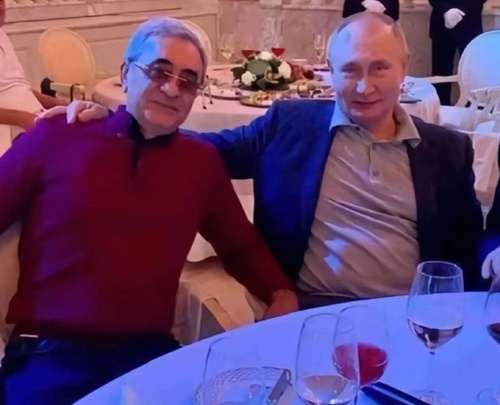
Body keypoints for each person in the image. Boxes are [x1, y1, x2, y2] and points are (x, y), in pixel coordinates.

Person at [0, 17, 297, 405]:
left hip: (147, 359)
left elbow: (240, 245)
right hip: (49, 356)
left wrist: (280, 292)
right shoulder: (56, 136)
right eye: (159, 71)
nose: (172, 88)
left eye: (187, 80)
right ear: (126, 74)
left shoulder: (199, 164)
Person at [45, 12, 484, 308]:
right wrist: (118, 122)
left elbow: (470, 246)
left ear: (404, 68)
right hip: (311, 313)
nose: (364, 86)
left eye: (379, 68)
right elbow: (197, 149)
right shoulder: (291, 125)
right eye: (349, 70)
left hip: (405, 315)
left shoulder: (447, 150)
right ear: (329, 72)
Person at [0, 0, 66, 133]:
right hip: (13, 132)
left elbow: (18, 87)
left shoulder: (2, 35)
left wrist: (59, 104)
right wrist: (22, 119)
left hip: (37, 119)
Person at [429, 0, 487, 105]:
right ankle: (440, 110)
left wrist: (462, 11)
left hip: (471, 24)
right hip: (441, 24)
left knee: (471, 74)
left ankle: (472, 110)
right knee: (441, 73)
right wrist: (445, 11)